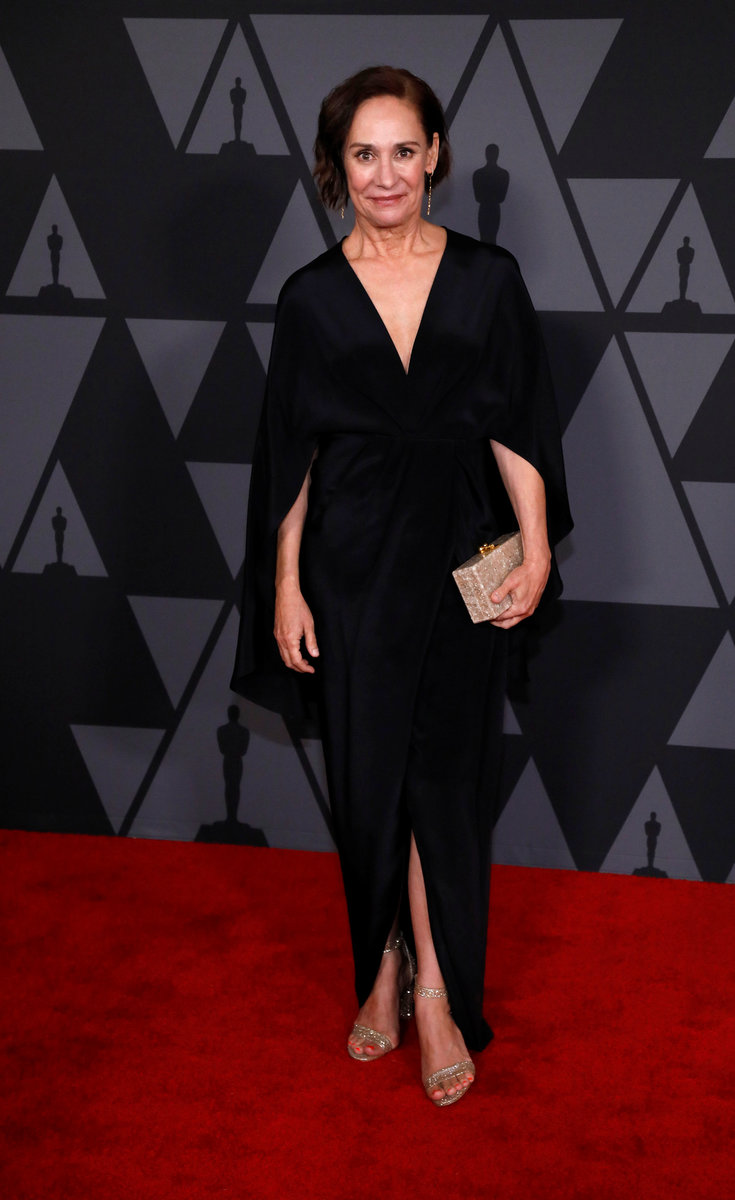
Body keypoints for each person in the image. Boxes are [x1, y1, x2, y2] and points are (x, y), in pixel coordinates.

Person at [232, 66, 572, 1107]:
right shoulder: (309, 298)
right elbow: (291, 459)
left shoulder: (488, 278)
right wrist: (286, 587)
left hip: (464, 556)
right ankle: (380, 963)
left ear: (435, 157)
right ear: (336, 169)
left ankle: (432, 994)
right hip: (351, 568)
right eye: (363, 154)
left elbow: (517, 422)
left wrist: (535, 547)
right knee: (372, 782)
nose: (386, 174)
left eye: (404, 150)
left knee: (442, 783)